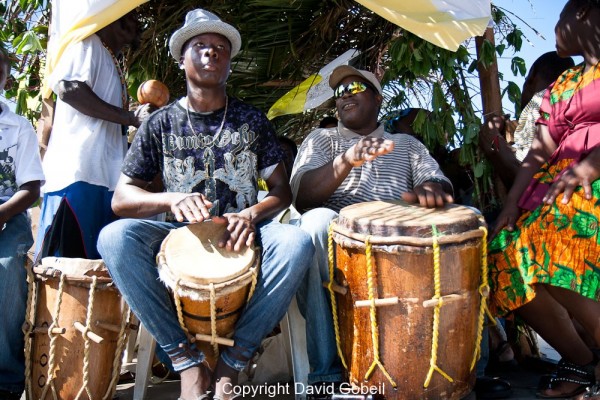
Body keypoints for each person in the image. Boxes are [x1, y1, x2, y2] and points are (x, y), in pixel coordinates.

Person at [97, 9, 314, 400]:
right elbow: (122, 198)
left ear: (229, 63)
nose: (212, 54)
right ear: (183, 59)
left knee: (296, 243)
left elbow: (282, 191)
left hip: (245, 233)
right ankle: (187, 362)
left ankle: (233, 363)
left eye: (220, 49)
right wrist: (172, 199)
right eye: (201, 47)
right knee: (114, 239)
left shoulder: (251, 119)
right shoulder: (159, 124)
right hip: (179, 236)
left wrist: (251, 214)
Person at [289, 66, 454, 398]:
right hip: (341, 241)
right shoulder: (321, 139)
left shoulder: (405, 143)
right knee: (315, 224)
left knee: (466, 221)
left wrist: (431, 189)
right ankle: (327, 376)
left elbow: (435, 179)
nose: (344, 96)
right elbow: (303, 195)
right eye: (339, 92)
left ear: (378, 98)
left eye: (354, 88)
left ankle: (462, 368)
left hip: (399, 242)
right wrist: (347, 159)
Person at [489, 1, 600, 398]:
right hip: (555, 187)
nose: (554, 30)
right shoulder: (563, 84)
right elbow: (538, 151)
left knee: (545, 241)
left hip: (591, 181)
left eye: (559, 18)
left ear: (583, 12)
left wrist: (589, 167)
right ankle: (582, 363)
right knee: (502, 257)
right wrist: (510, 205)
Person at [36, 10, 153, 260]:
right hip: (77, 177)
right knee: (65, 272)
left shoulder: (109, 57)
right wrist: (130, 118)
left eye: (135, 16)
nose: (135, 20)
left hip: (104, 181)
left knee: (93, 273)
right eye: (128, 14)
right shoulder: (86, 43)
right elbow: (69, 90)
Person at [0, 48, 45, 400]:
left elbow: (30, 189)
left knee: (5, 271)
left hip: (6, 214)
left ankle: (7, 376)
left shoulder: (17, 127)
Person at [479, 52, 575, 190]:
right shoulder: (572, 103)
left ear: (531, 77)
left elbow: (525, 179)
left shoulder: (541, 103)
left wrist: (492, 138)